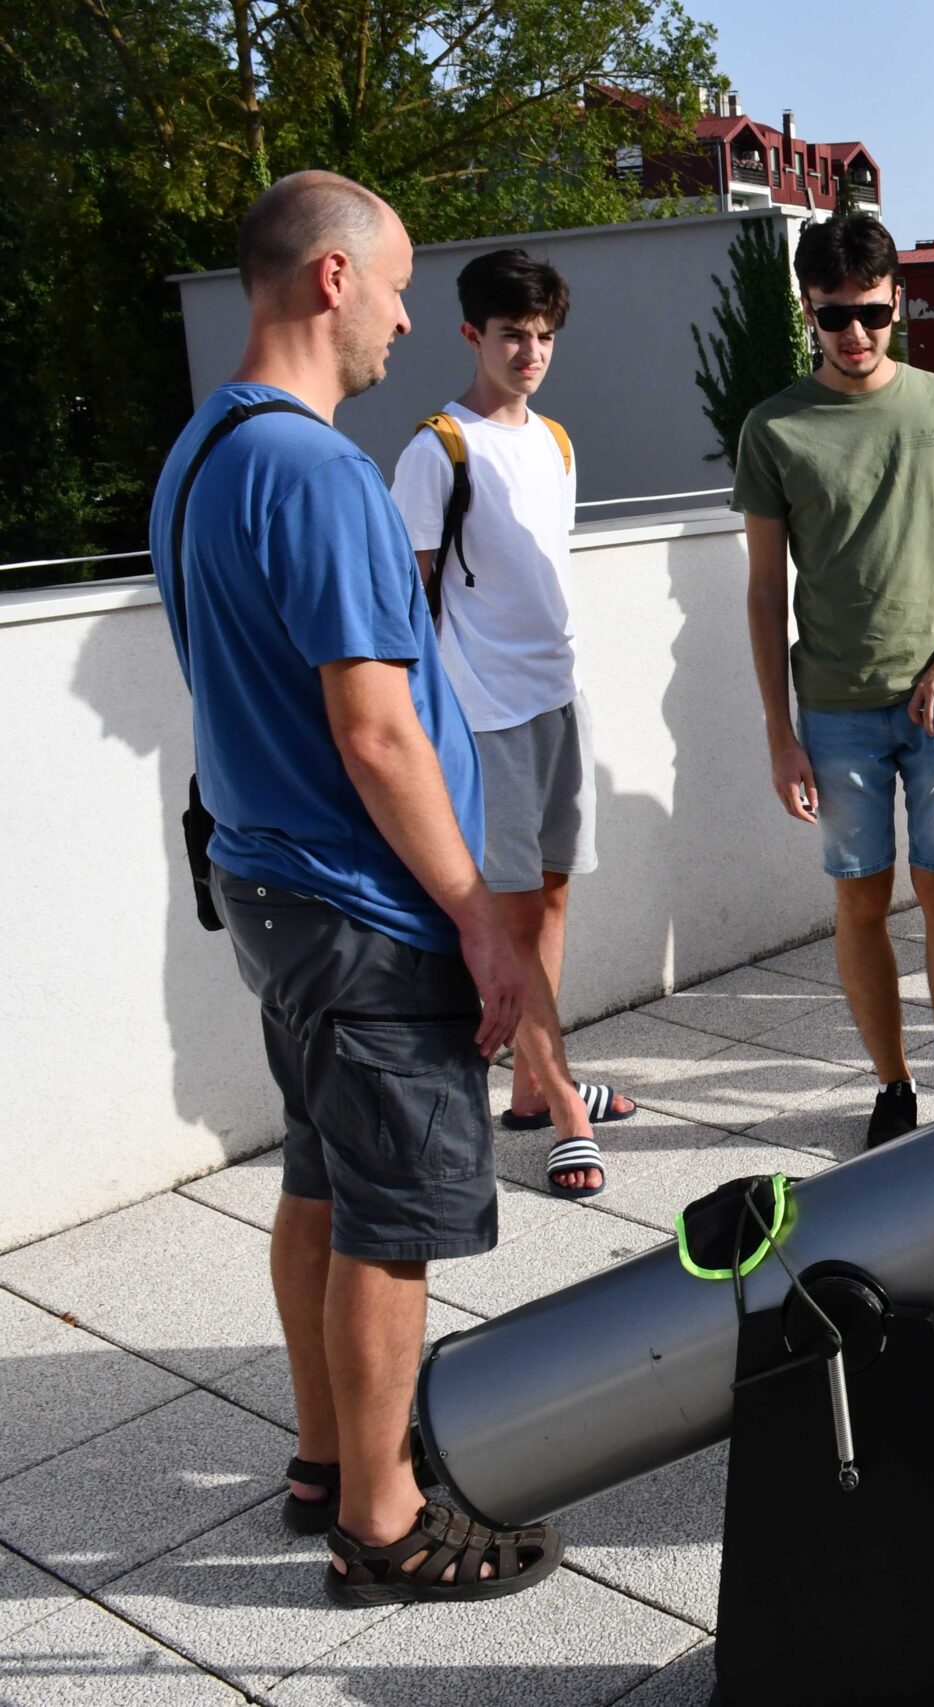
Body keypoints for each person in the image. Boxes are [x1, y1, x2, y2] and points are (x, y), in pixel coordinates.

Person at [149, 171, 563, 1600]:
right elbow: (376, 731)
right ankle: (383, 1523)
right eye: (393, 287)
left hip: (272, 891)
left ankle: (327, 1455)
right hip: (362, 909)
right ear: (331, 280)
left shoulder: (205, 447)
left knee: (321, 1181)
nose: (405, 317)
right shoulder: (319, 472)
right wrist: (479, 916)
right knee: (392, 1218)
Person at [735, 213, 934, 1148]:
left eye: (871, 312)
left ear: (897, 303)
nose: (856, 333)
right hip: (833, 710)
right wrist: (779, 733)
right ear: (809, 312)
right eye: (835, 316)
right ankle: (892, 1085)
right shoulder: (774, 427)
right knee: (860, 901)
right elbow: (764, 591)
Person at [388, 247, 619, 1200]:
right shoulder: (436, 450)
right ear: (471, 335)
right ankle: (565, 1110)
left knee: (553, 898)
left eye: (544, 336)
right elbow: (405, 608)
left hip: (561, 697)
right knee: (514, 917)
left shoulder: (556, 442)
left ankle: (530, 1087)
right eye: (512, 334)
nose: (530, 352)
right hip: (484, 720)